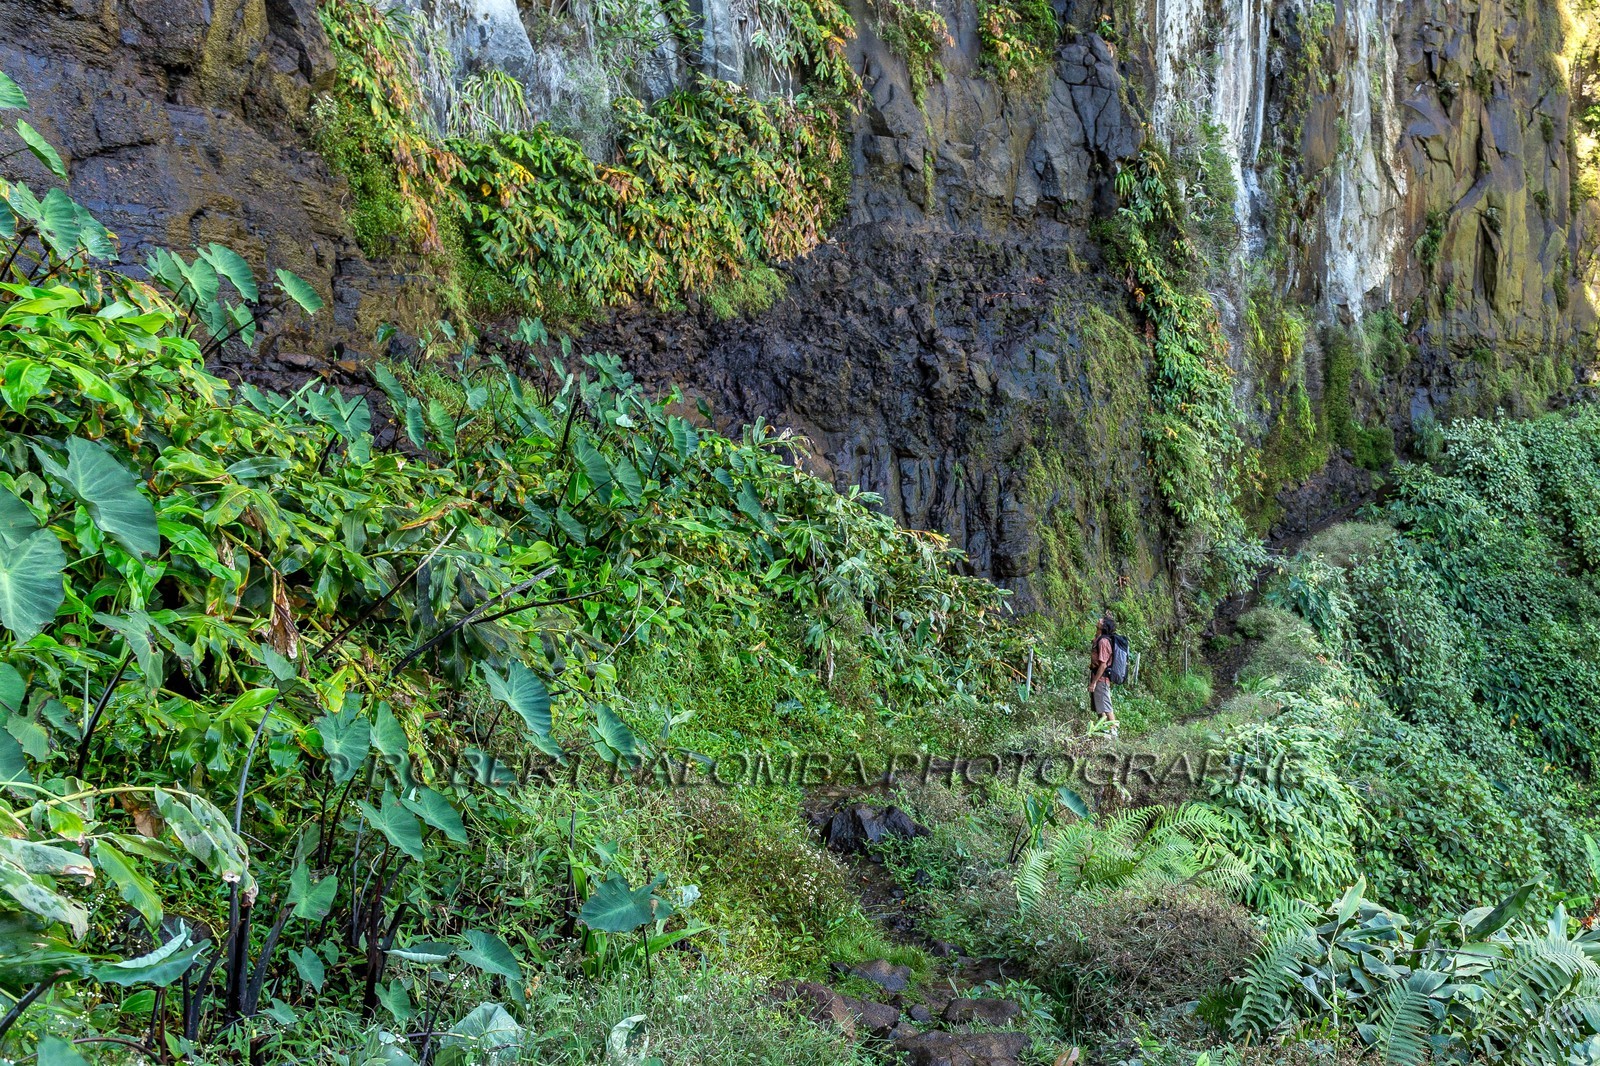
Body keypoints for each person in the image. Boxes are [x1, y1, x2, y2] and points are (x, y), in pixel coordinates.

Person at [1088, 613, 1120, 739]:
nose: (1099, 619)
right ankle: (1105, 732)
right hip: (1097, 677)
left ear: (1103, 626)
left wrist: (1094, 682)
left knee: (1106, 706)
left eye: (1102, 620)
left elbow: (1103, 665)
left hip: (1101, 678)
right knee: (1100, 706)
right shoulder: (1099, 638)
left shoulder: (1104, 642)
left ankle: (1114, 733)